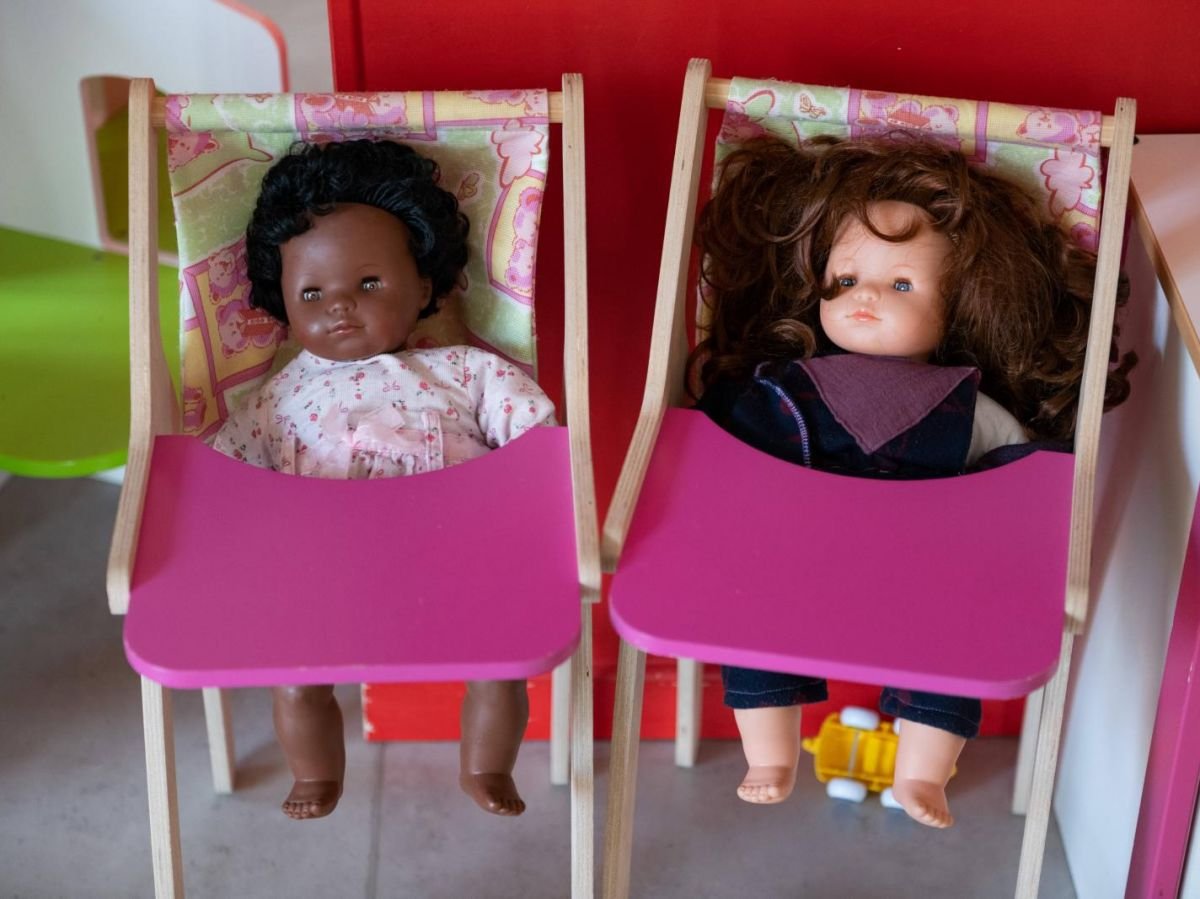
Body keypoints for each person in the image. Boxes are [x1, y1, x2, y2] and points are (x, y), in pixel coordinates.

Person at [690, 134, 1135, 827]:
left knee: (959, 645)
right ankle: (770, 756)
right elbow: (727, 457)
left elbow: (1021, 472)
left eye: (901, 285)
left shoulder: (967, 405)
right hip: (799, 564)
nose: (866, 296)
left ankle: (924, 771)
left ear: (957, 306)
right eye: (846, 281)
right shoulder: (783, 387)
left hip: (923, 578)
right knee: (751, 628)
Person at [212, 138, 555, 820]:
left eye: (368, 283)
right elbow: (228, 484)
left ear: (423, 286)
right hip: (328, 572)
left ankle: (485, 766)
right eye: (313, 292)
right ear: (284, 305)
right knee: (296, 677)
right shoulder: (274, 401)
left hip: (457, 560)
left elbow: (538, 447)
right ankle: (316, 775)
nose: (340, 305)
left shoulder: (467, 372)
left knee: (502, 662)